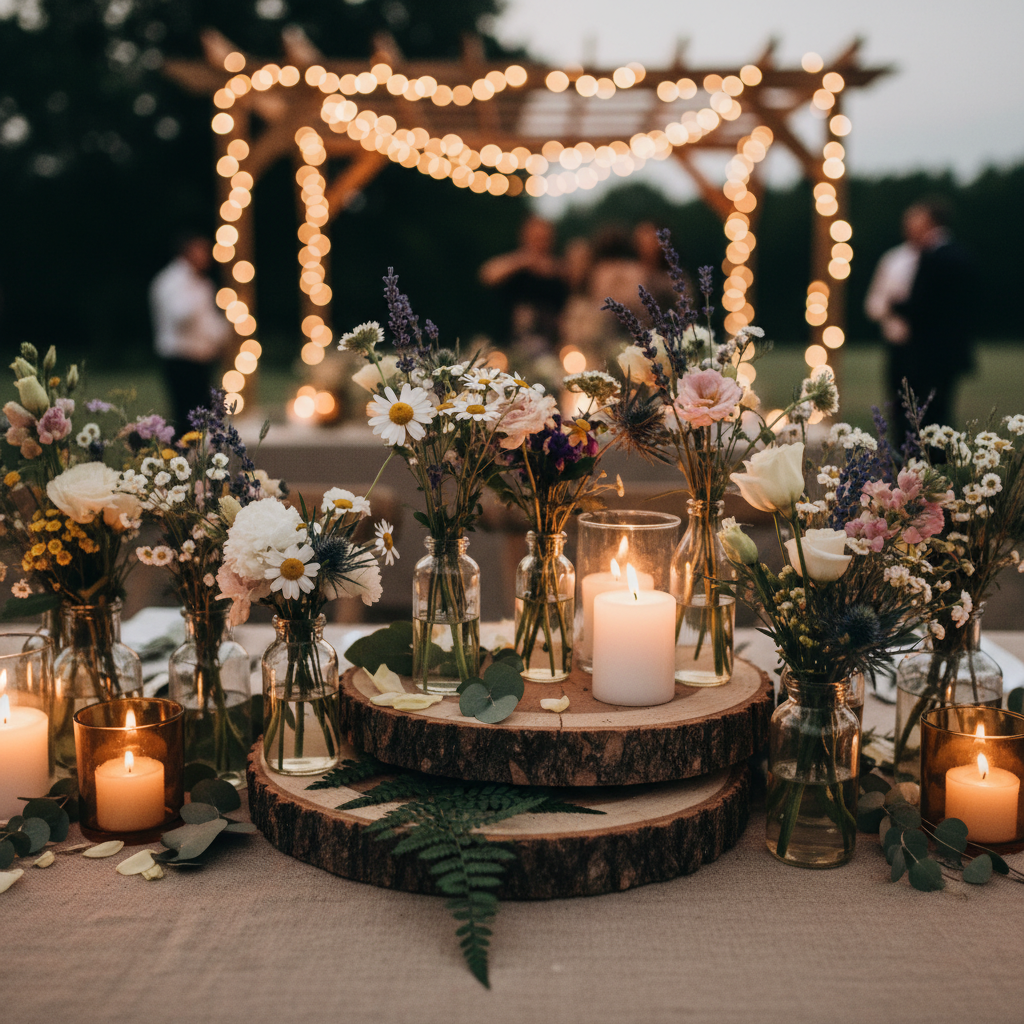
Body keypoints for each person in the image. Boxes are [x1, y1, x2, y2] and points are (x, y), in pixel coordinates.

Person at [885, 199, 977, 439]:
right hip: (951, 351)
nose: (908, 227)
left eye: (913, 221)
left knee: (926, 417)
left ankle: (926, 468)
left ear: (929, 222)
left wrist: (894, 304)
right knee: (940, 412)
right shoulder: (960, 254)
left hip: (928, 354)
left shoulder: (933, 257)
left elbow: (923, 306)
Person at [150, 233, 232, 435]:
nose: (207, 256)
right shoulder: (171, 281)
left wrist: (224, 333)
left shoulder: (200, 282)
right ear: (188, 252)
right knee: (186, 416)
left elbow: (207, 322)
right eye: (202, 250)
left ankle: (199, 459)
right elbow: (180, 318)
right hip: (181, 360)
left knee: (206, 416)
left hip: (201, 360)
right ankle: (183, 459)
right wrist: (197, 295)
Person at [479, 216, 567, 356]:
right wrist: (524, 260)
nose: (541, 243)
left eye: (544, 238)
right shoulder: (515, 267)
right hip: (513, 343)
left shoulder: (559, 271)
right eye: (536, 238)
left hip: (552, 345)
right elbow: (487, 275)